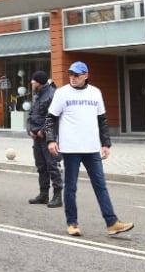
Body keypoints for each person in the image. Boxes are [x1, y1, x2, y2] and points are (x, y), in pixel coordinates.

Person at [46, 61, 134, 237]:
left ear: (86, 75)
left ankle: (112, 223)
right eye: (71, 74)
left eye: (77, 75)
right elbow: (50, 118)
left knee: (101, 186)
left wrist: (106, 144)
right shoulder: (62, 93)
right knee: (70, 187)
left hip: (92, 148)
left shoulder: (95, 93)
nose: (73, 78)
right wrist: (51, 140)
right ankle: (72, 223)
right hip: (71, 149)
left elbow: (102, 120)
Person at [28, 70, 62, 207]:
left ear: (39, 82)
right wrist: (29, 130)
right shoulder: (37, 95)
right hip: (36, 137)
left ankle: (58, 196)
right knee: (41, 166)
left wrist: (44, 131)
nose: (31, 82)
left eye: (33, 80)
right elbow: (31, 115)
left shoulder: (52, 94)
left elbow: (53, 117)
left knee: (52, 166)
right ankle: (43, 194)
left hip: (48, 137)